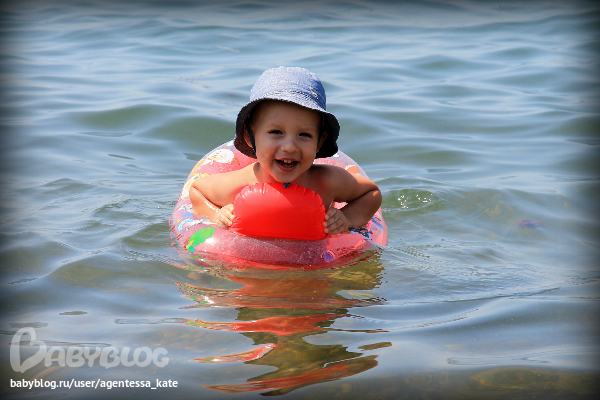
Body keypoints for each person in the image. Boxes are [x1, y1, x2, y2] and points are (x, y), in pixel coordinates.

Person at [190, 66, 382, 236]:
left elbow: (371, 193)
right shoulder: (241, 183)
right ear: (250, 137)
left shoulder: (327, 181)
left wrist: (347, 218)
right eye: (276, 132)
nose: (289, 147)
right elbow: (197, 190)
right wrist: (216, 214)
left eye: (304, 135)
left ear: (319, 142)